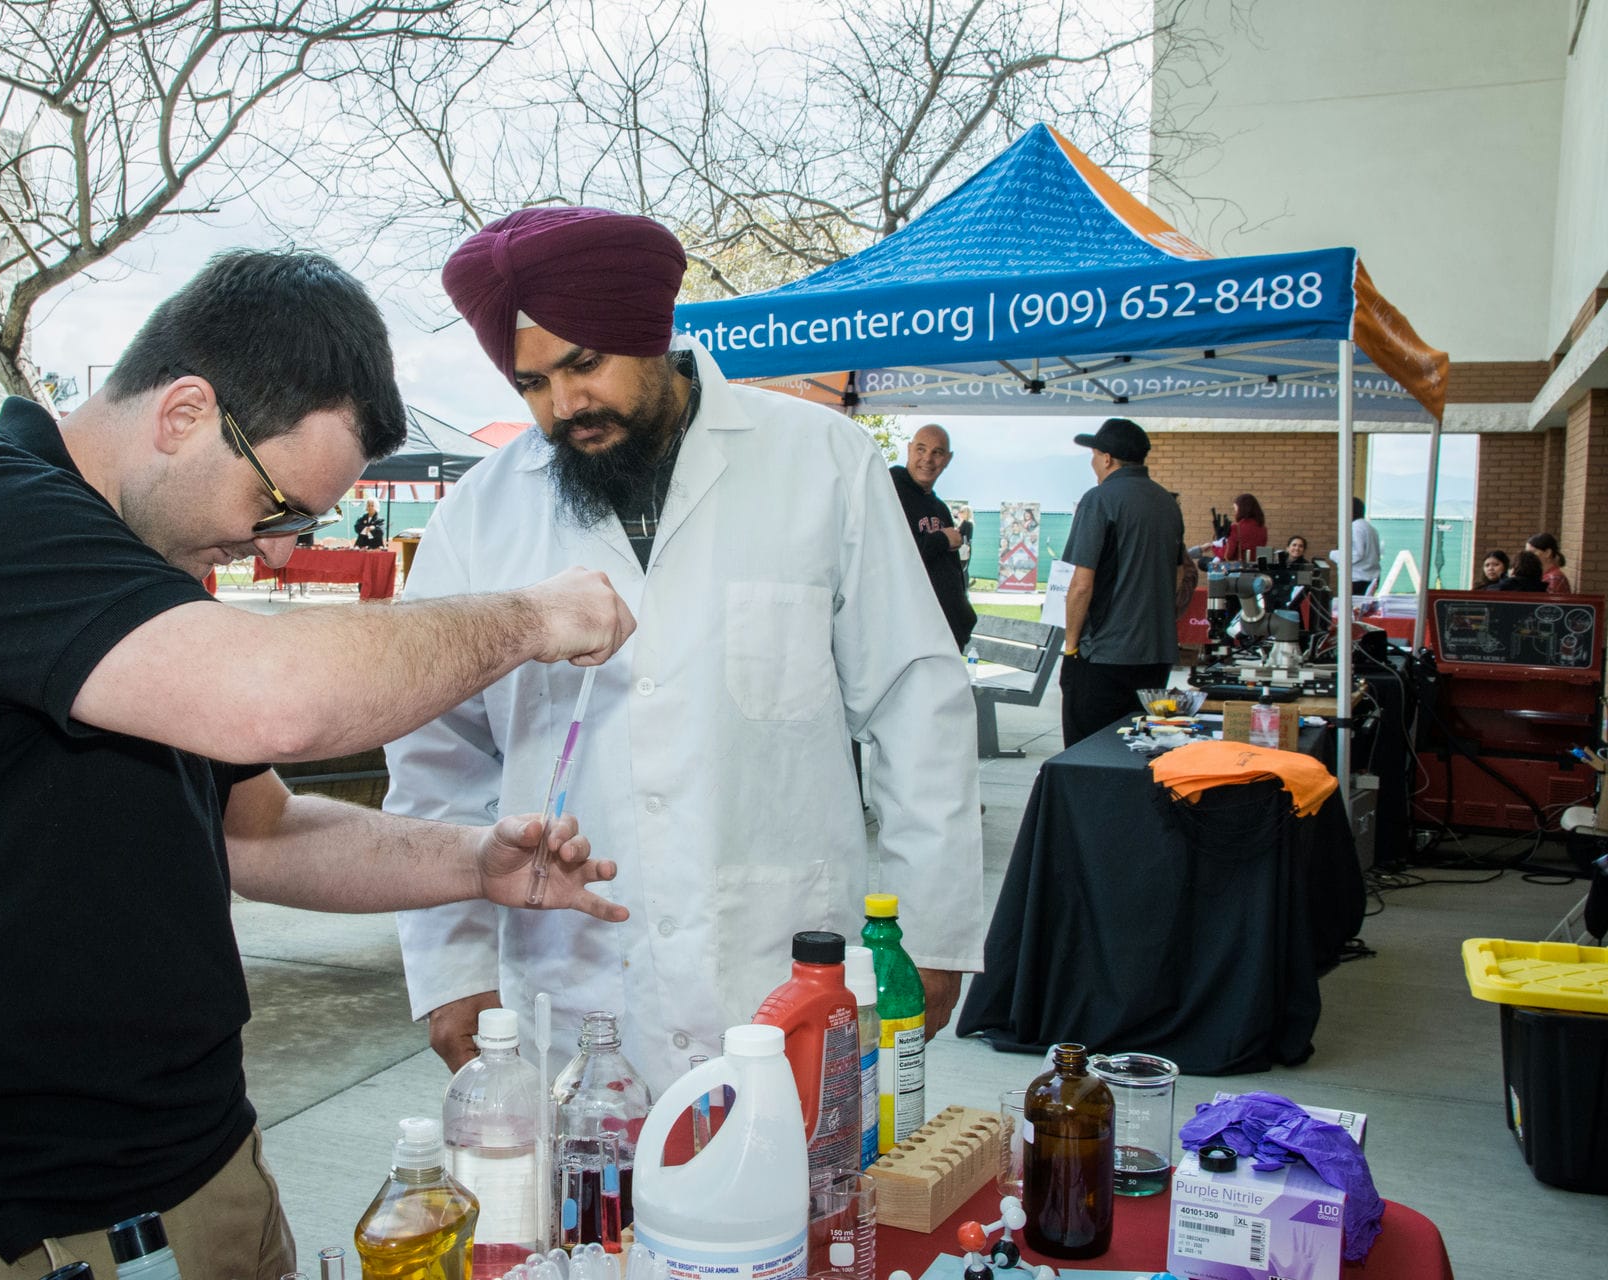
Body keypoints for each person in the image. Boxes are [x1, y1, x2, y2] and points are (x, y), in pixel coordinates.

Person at [0, 249, 638, 1280]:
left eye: (302, 524)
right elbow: (273, 696)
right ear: (184, 412)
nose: (275, 552)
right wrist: (535, 615)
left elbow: (257, 829)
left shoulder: (133, 589)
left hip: (196, 1169)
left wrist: (475, 862)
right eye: (274, 506)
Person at [387, 206, 982, 1093]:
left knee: (801, 1207)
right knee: (589, 1221)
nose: (564, 406)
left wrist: (930, 931)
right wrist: (450, 967)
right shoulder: (481, 513)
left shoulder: (821, 463)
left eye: (584, 363)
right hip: (571, 983)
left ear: (654, 331)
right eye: (532, 384)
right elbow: (438, 757)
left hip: (782, 963)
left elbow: (914, 700)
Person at [1058, 417, 1187, 747]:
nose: (1092, 463)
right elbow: (1181, 575)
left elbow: (1082, 584)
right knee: (1141, 750)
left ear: (1106, 458)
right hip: (1156, 654)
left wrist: (1071, 648)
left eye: (1093, 454)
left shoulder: (1099, 499)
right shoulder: (1167, 503)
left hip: (1104, 654)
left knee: (1087, 755)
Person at [892, 424, 978, 650]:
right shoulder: (890, 494)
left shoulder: (940, 508)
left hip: (944, 635)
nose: (927, 459)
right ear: (909, 449)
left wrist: (963, 617)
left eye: (937, 452)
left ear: (947, 459)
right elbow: (894, 556)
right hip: (907, 634)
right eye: (921, 449)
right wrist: (941, 539)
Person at [1189, 492, 1268, 562]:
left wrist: (1213, 547)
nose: (1235, 512)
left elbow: (1226, 554)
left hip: (1237, 567)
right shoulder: (1263, 529)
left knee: (1202, 562)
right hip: (1254, 566)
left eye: (1236, 509)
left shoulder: (1237, 528)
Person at [1330, 497, 1382, 595]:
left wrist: (1334, 554)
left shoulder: (1355, 528)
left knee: (1352, 608)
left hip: (1358, 578)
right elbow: (1378, 554)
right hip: (1371, 577)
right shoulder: (1371, 529)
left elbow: (1356, 554)